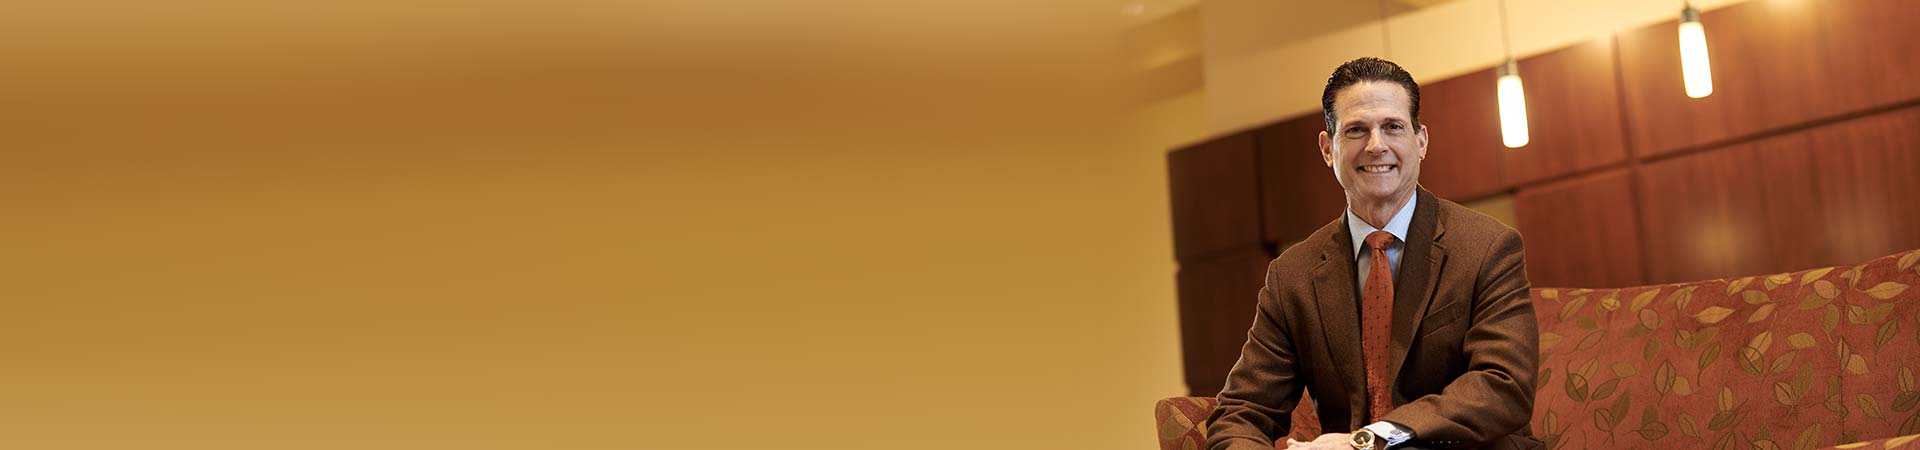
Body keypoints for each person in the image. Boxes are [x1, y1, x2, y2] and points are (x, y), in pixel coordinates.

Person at [1203, 57, 1542, 450]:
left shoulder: (1487, 247)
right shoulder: (1291, 276)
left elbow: (1504, 385)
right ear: (1328, 149)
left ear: (1421, 142)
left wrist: (1368, 440)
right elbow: (1241, 412)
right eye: (1356, 130)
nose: (1376, 145)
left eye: (1392, 126)